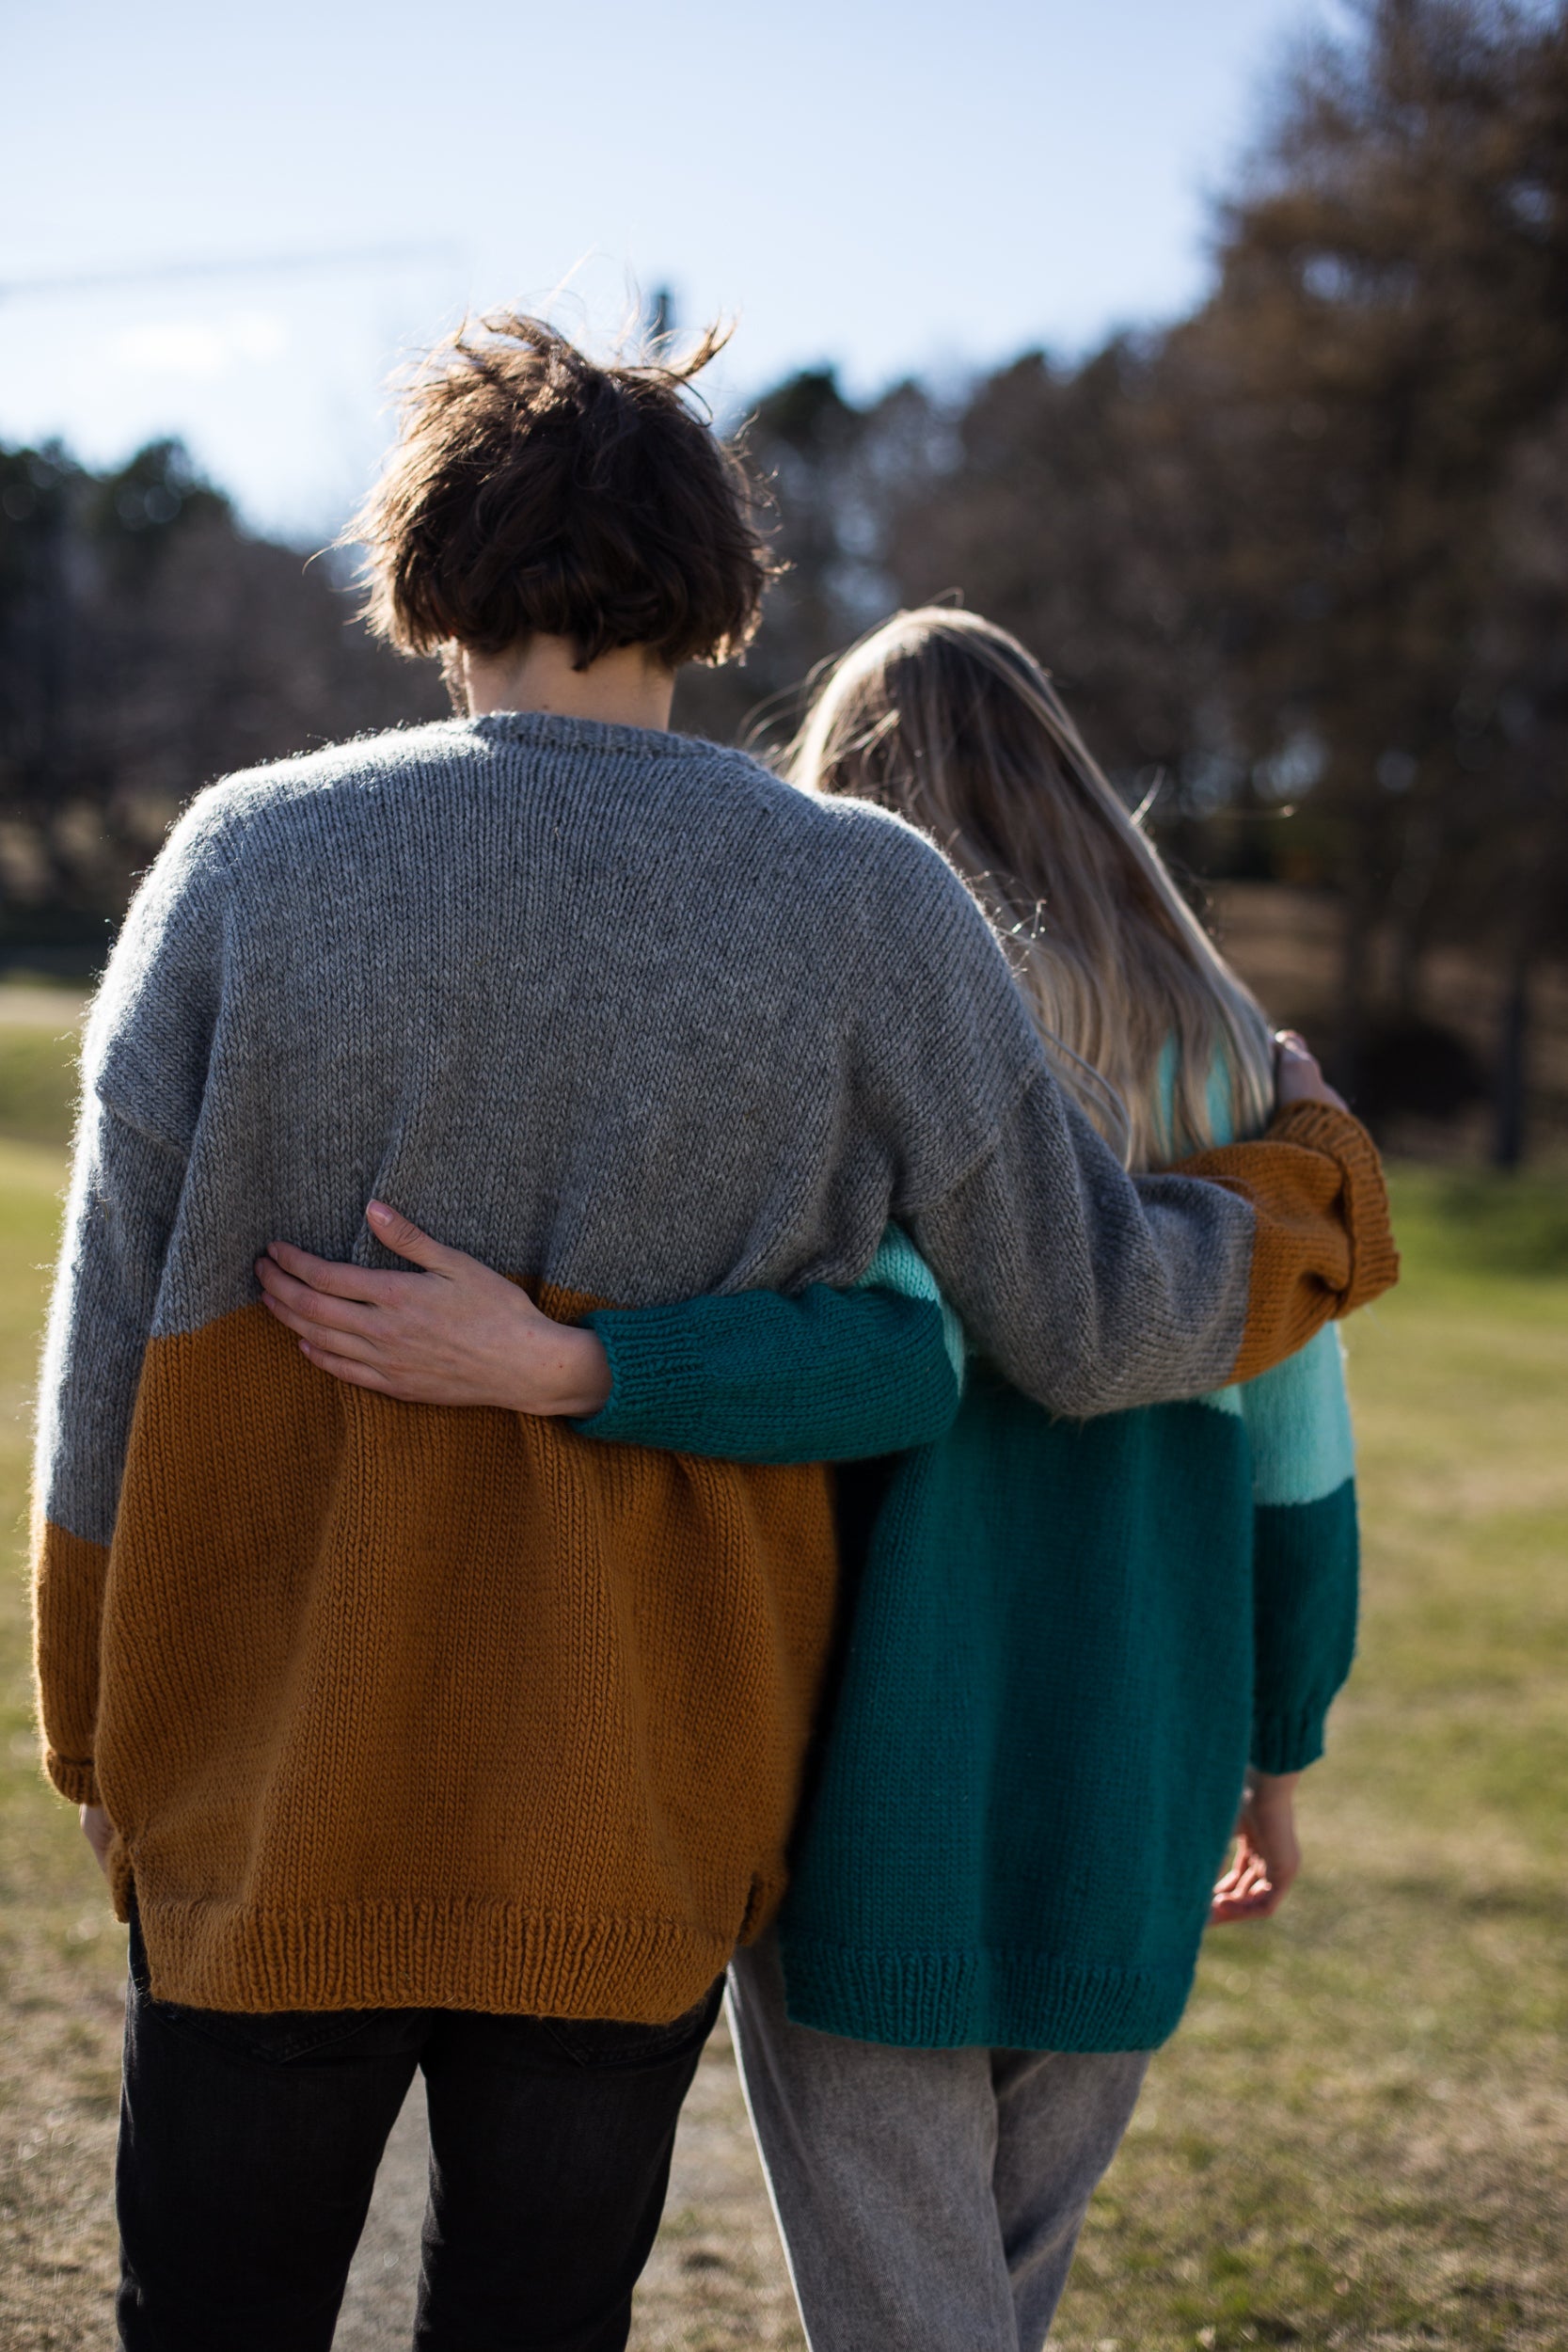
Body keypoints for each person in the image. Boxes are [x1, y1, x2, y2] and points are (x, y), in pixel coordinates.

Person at [35, 306, 1395, 2352]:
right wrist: (1311, 1185)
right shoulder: (866, 898)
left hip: (266, 1786)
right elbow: (1090, 1321)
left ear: (424, 570)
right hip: (641, 1810)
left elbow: (106, 1356)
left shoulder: (245, 856)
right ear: (717, 584)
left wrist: (95, 1725)